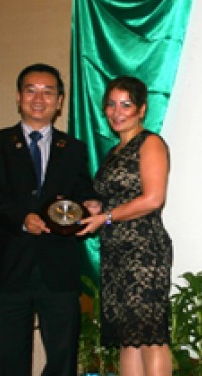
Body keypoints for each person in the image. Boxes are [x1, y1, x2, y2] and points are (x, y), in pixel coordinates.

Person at [0, 63, 101, 375]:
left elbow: (82, 191)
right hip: (8, 269)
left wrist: (91, 203)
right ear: (18, 97)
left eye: (48, 92)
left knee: (63, 361)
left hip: (58, 269)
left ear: (60, 102)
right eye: (31, 90)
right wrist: (21, 218)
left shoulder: (74, 149)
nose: (39, 98)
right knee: (8, 361)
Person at [79, 76, 173, 376]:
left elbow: (153, 199)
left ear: (142, 110)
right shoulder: (113, 152)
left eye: (126, 105)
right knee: (127, 340)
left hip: (145, 250)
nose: (117, 111)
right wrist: (98, 208)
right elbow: (117, 199)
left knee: (150, 338)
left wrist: (106, 217)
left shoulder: (151, 142)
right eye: (111, 104)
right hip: (116, 251)